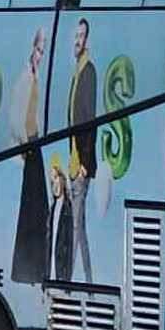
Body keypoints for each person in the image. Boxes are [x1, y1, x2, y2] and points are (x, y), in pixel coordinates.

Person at [10, 28, 49, 284]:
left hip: (37, 148)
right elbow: (16, 118)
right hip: (31, 150)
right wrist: (24, 146)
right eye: (38, 50)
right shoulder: (26, 78)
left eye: (43, 52)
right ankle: (28, 270)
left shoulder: (36, 79)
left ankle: (35, 269)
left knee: (39, 211)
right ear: (31, 50)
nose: (40, 56)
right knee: (33, 211)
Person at [66, 18, 97, 283]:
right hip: (76, 160)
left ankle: (68, 280)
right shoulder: (78, 70)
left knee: (75, 225)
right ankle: (87, 279)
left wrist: (85, 161)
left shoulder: (88, 72)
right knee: (81, 226)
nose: (78, 41)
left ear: (88, 40)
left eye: (82, 36)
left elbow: (88, 118)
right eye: (76, 36)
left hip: (81, 164)